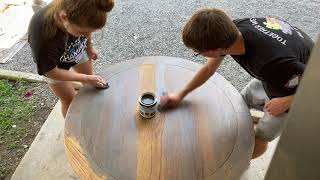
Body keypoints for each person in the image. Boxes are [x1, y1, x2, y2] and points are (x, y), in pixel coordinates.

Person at [160, 8, 314, 158]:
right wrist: (180, 95)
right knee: (239, 105)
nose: (200, 55)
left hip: (298, 90)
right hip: (274, 77)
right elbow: (208, 68)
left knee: (261, 136)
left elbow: (316, 81)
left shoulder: (272, 62)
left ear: (215, 49)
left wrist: (286, 102)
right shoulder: (231, 31)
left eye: (198, 52)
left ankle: (239, 164)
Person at [28, 0, 114, 118]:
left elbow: (87, 29)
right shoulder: (42, 36)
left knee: (90, 84)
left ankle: (92, 112)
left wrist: (89, 47)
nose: (87, 35)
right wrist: (86, 78)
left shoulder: (81, 11)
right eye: (82, 32)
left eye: (90, 32)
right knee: (69, 101)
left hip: (76, 49)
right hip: (55, 67)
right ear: (64, 18)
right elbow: (51, 72)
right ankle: (72, 135)